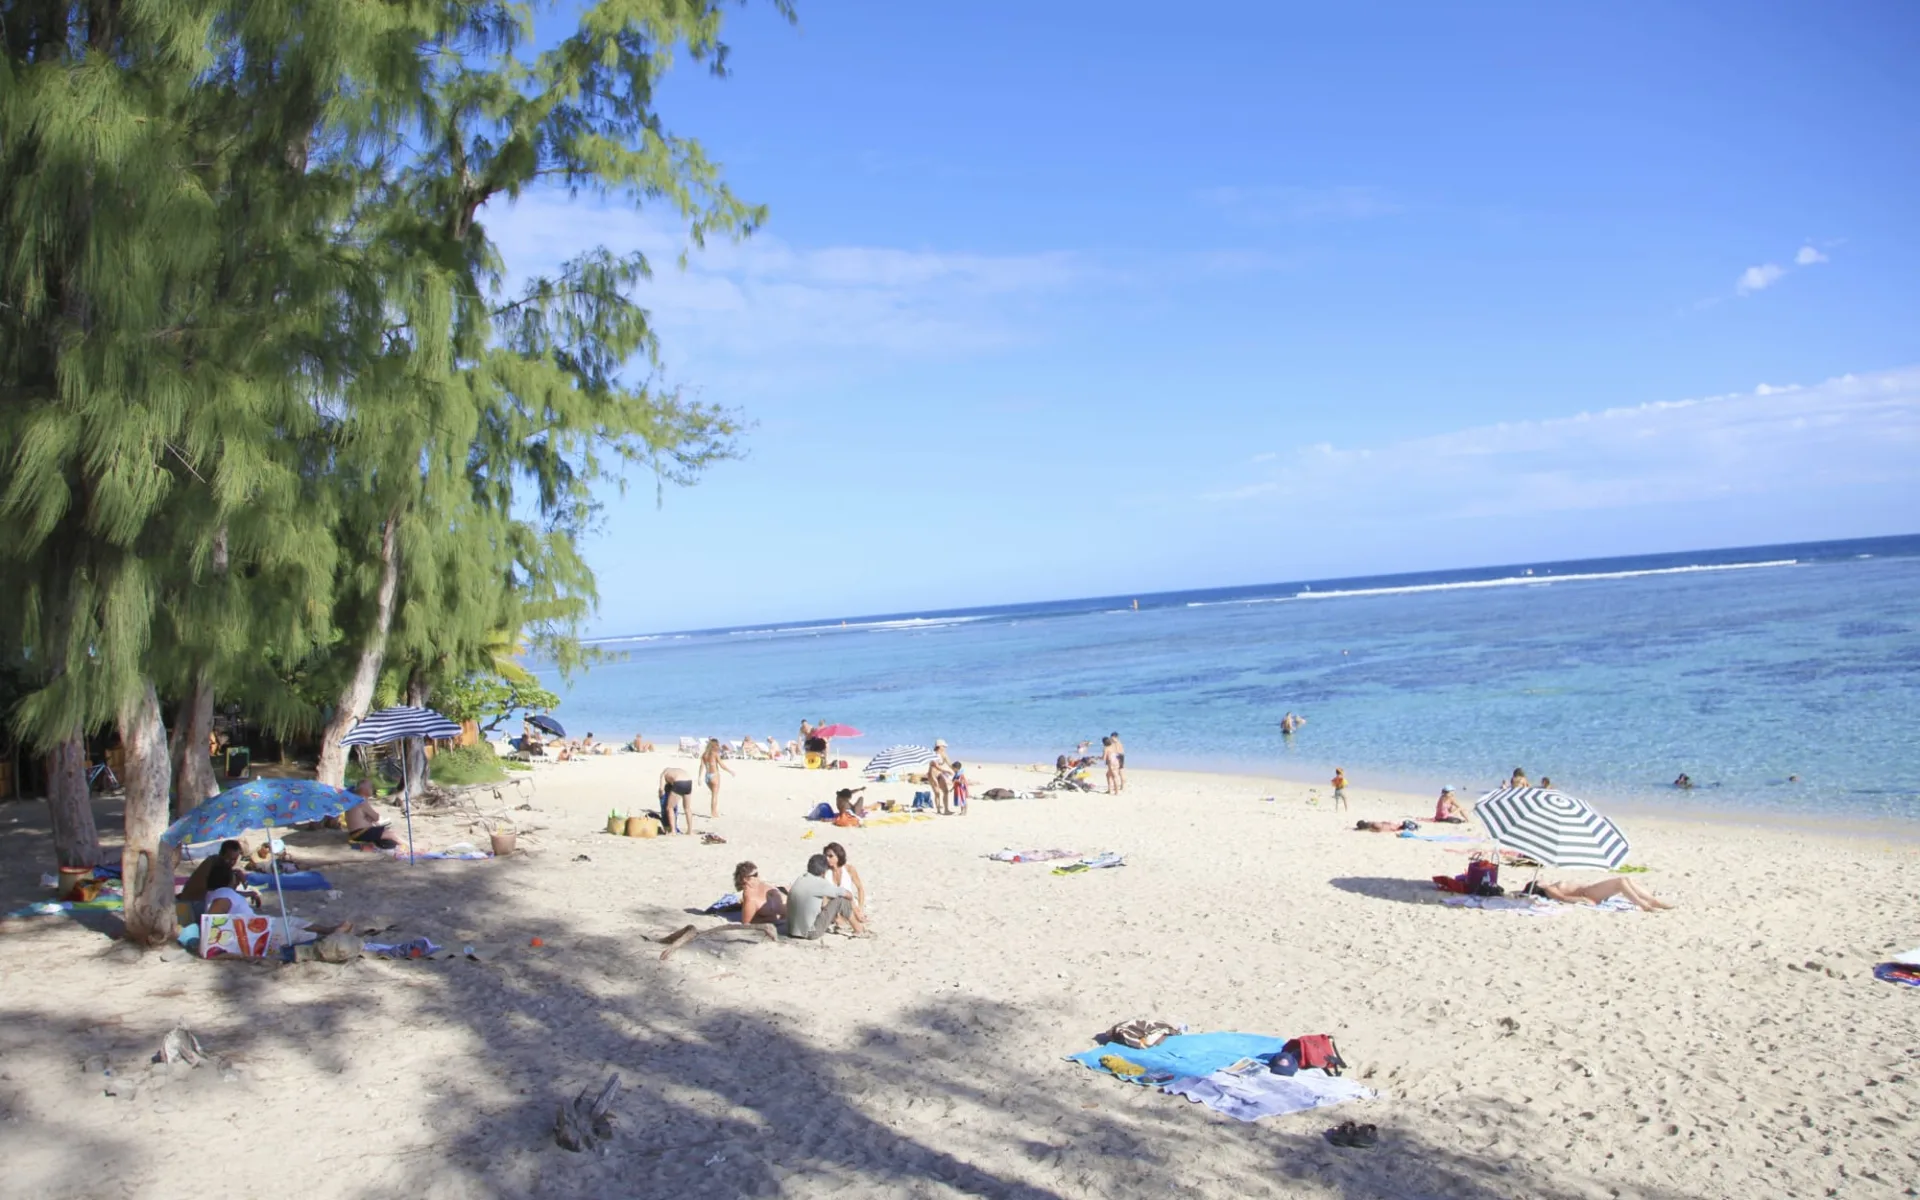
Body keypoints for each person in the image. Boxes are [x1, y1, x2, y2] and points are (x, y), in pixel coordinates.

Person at [788, 854, 867, 939]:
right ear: (824, 871)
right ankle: (858, 929)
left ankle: (842, 922)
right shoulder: (821, 883)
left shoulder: (800, 878)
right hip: (809, 933)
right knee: (841, 900)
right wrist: (854, 906)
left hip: (791, 930)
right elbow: (847, 894)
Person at [1527, 877, 1673, 911]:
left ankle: (1652, 900)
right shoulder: (1549, 890)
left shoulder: (1550, 887)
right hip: (1589, 893)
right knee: (1620, 882)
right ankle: (1643, 904)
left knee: (1625, 879)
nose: (1542, 879)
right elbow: (1563, 898)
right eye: (1539, 880)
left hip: (1590, 890)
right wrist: (1583, 899)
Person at [345, 779, 401, 849]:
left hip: (355, 833)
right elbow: (376, 817)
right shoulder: (361, 801)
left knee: (385, 833)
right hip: (360, 833)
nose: (373, 789)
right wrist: (372, 818)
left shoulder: (354, 799)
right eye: (371, 787)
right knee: (391, 834)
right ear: (364, 790)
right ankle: (408, 848)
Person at [822, 841, 867, 923]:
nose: (827, 859)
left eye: (830, 856)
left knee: (849, 902)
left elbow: (860, 888)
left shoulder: (849, 869)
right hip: (832, 904)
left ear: (838, 856)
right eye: (826, 856)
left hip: (850, 903)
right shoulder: (825, 872)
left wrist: (860, 908)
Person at [735, 861, 787, 926]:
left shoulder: (761, 884)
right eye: (755, 875)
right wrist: (771, 920)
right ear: (746, 879)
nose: (758, 876)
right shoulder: (750, 897)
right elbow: (746, 923)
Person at [700, 738, 734, 818]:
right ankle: (713, 813)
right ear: (714, 745)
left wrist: (699, 777)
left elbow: (701, 766)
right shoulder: (715, 754)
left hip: (707, 776)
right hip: (714, 775)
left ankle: (714, 811)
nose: (718, 746)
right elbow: (721, 765)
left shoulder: (704, 754)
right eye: (717, 745)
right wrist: (730, 771)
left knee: (713, 795)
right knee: (714, 795)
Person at [659, 766, 696, 834]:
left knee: (669, 807)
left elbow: (661, 789)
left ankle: (673, 831)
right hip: (689, 781)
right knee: (687, 808)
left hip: (679, 782)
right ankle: (690, 831)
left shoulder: (664, 774)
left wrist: (661, 798)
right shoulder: (674, 770)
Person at [927, 742, 954, 814]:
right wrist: (947, 771)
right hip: (932, 775)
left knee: (946, 791)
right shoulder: (933, 755)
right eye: (944, 746)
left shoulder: (944, 755)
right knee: (937, 793)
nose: (945, 748)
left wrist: (956, 770)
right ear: (939, 746)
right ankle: (938, 810)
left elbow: (950, 764)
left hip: (939, 774)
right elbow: (936, 766)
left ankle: (946, 810)